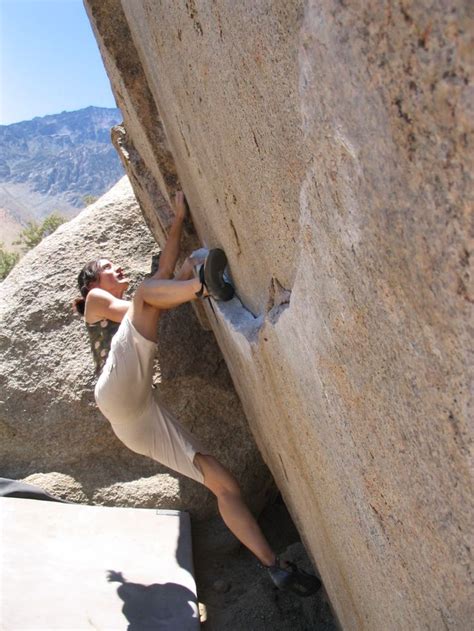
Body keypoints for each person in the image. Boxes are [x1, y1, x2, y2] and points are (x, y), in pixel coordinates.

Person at [74, 191, 321, 597]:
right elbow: (143, 301)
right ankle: (204, 286)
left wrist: (177, 220)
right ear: (92, 282)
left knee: (224, 483)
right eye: (107, 267)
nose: (116, 267)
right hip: (115, 394)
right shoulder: (95, 302)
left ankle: (275, 567)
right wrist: (185, 284)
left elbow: (162, 278)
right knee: (149, 293)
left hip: (137, 417)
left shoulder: (133, 307)